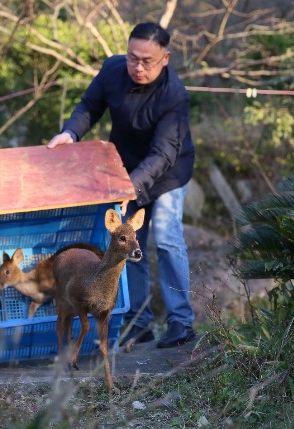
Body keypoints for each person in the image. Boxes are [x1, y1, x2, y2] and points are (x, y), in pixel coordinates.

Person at [47, 22, 196, 348]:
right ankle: (138, 321)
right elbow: (89, 106)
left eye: (147, 61)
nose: (138, 67)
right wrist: (70, 132)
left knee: (167, 238)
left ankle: (181, 322)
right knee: (127, 240)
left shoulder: (174, 95)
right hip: (125, 169)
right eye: (132, 58)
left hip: (168, 172)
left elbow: (163, 154)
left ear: (165, 58)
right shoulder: (113, 70)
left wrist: (131, 186)